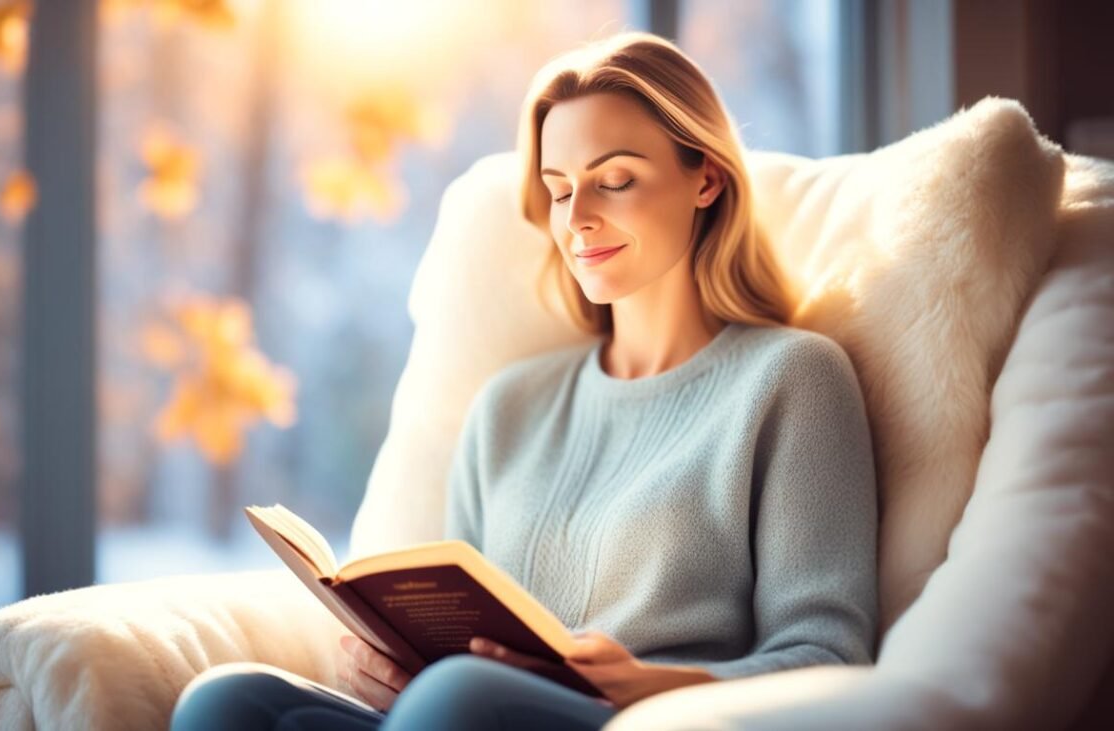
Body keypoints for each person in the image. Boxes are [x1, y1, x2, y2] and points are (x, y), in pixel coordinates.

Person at [171, 29, 878, 731]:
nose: (578, 220)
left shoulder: (792, 379)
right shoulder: (509, 406)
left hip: (634, 721)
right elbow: (458, 643)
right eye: (560, 189)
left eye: (617, 180)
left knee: (461, 700)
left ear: (707, 178)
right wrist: (394, 670)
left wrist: (648, 682)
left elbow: (829, 654)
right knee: (228, 699)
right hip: (462, 713)